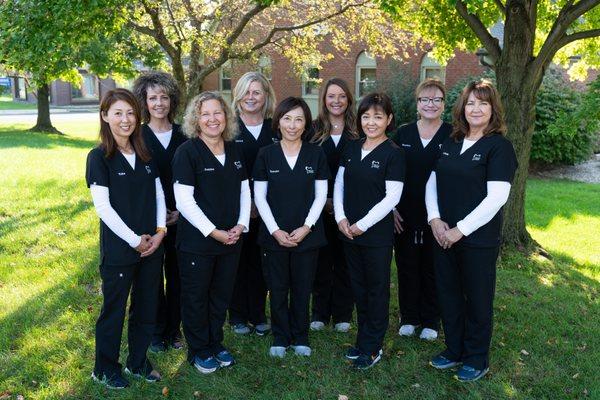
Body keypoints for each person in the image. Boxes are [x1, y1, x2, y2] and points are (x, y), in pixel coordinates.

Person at [426, 80, 517, 382]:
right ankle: (454, 350)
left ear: (493, 110)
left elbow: (497, 198)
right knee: (448, 294)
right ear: (462, 108)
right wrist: (435, 219)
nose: (476, 109)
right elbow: (432, 182)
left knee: (477, 299)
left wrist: (459, 230)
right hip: (442, 235)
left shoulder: (499, 147)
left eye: (483, 103)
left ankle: (477, 358)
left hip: (477, 239)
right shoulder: (451, 142)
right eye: (470, 103)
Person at [86, 88, 166, 389]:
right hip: (121, 249)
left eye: (131, 112)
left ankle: (137, 362)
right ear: (105, 116)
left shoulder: (145, 154)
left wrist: (160, 232)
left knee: (146, 308)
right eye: (118, 113)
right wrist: (135, 240)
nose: (125, 119)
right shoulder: (99, 157)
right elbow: (103, 208)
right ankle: (104, 369)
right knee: (114, 311)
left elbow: (159, 193)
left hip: (152, 247)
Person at [172, 91, 251, 374]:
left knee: (220, 295)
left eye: (217, 112)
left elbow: (245, 191)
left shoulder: (234, 150)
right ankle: (199, 350)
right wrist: (214, 232)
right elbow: (184, 202)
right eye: (205, 114)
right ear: (196, 119)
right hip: (199, 242)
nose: (212, 119)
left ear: (226, 117)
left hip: (232, 239)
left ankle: (215, 343)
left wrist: (241, 225)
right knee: (196, 296)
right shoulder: (187, 153)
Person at [253, 97, 329, 358]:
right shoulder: (266, 154)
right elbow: (259, 197)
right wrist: (275, 230)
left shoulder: (316, 154)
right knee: (278, 288)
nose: (293, 125)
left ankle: (300, 337)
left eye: (299, 119)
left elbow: (321, 196)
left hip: (307, 236)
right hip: (273, 236)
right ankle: (280, 337)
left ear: (306, 123)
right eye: (287, 118)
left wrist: (307, 227)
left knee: (302, 288)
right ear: (278, 121)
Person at [333, 92, 405, 369]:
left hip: (374, 236)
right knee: (359, 288)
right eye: (366, 116)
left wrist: (362, 225)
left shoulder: (394, 154)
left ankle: (373, 347)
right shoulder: (351, 148)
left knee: (376, 290)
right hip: (348, 231)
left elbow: (392, 198)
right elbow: (339, 184)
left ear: (388, 119)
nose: (371, 122)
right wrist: (341, 218)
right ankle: (362, 340)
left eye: (378, 116)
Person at [392, 78, 451, 341]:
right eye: (425, 99)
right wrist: (391, 208)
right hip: (403, 215)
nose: (430, 104)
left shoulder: (453, 135)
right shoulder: (403, 134)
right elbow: (388, 171)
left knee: (434, 267)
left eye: (436, 99)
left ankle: (430, 320)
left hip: (439, 216)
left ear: (443, 104)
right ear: (417, 103)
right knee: (407, 265)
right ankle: (409, 317)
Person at [133, 72, 187, 352]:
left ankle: (174, 330)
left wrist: (180, 213)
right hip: (148, 221)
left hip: (181, 219)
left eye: (164, 97)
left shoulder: (185, 134)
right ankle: (156, 332)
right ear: (144, 101)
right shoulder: (136, 136)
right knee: (151, 279)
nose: (159, 103)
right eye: (152, 97)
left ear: (172, 100)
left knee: (178, 277)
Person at [228, 71, 278, 336]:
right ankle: (236, 314)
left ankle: (258, 314)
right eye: (246, 91)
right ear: (238, 95)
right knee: (236, 261)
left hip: (269, 211)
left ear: (266, 96)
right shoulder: (228, 128)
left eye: (257, 92)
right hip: (235, 210)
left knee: (261, 263)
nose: (251, 97)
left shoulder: (276, 129)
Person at [308, 78, 358, 333]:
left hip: (350, 209)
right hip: (317, 208)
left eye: (341, 96)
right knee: (321, 260)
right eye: (331, 96)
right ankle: (319, 311)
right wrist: (323, 202)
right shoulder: (313, 130)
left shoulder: (358, 130)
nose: (336, 101)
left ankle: (342, 313)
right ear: (323, 100)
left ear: (349, 99)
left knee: (346, 261)